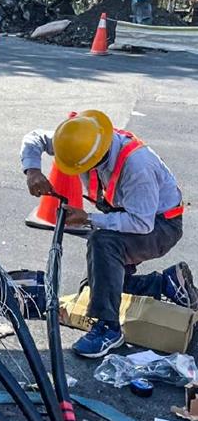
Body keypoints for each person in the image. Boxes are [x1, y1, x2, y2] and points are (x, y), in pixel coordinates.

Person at [22, 110, 197, 359]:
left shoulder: (138, 166)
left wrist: (90, 218)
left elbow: (141, 223)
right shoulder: (80, 137)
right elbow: (35, 137)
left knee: (102, 242)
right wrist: (32, 170)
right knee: (95, 288)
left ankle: (109, 328)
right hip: (129, 213)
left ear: (96, 157)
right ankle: (164, 283)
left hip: (160, 227)